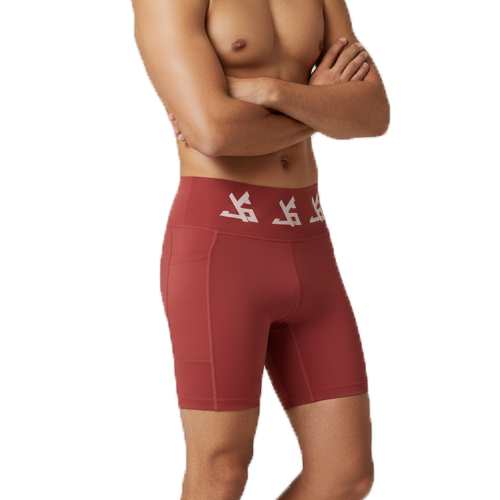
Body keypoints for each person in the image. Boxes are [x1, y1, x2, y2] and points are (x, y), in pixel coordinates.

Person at [132, 0, 390, 498]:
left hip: (308, 241)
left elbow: (373, 113)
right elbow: (213, 133)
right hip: (221, 249)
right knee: (222, 469)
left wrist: (272, 91)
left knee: (346, 474)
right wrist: (320, 105)